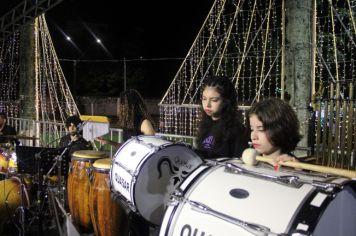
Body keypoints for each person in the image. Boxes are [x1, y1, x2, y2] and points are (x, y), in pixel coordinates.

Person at [97, 89, 155, 236]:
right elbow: (127, 147)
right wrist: (109, 142)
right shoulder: (128, 123)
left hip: (141, 175)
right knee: (130, 215)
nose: (119, 108)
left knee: (139, 216)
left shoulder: (144, 123)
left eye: (122, 105)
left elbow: (152, 150)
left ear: (131, 106)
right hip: (130, 172)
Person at [196, 76, 249, 159]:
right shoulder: (204, 125)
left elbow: (240, 162)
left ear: (226, 101)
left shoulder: (236, 129)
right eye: (204, 99)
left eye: (214, 100)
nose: (207, 105)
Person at [248, 97, 302, 166]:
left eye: (261, 130)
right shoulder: (249, 163)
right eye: (252, 129)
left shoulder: (295, 168)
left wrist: (297, 170)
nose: (253, 137)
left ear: (280, 130)